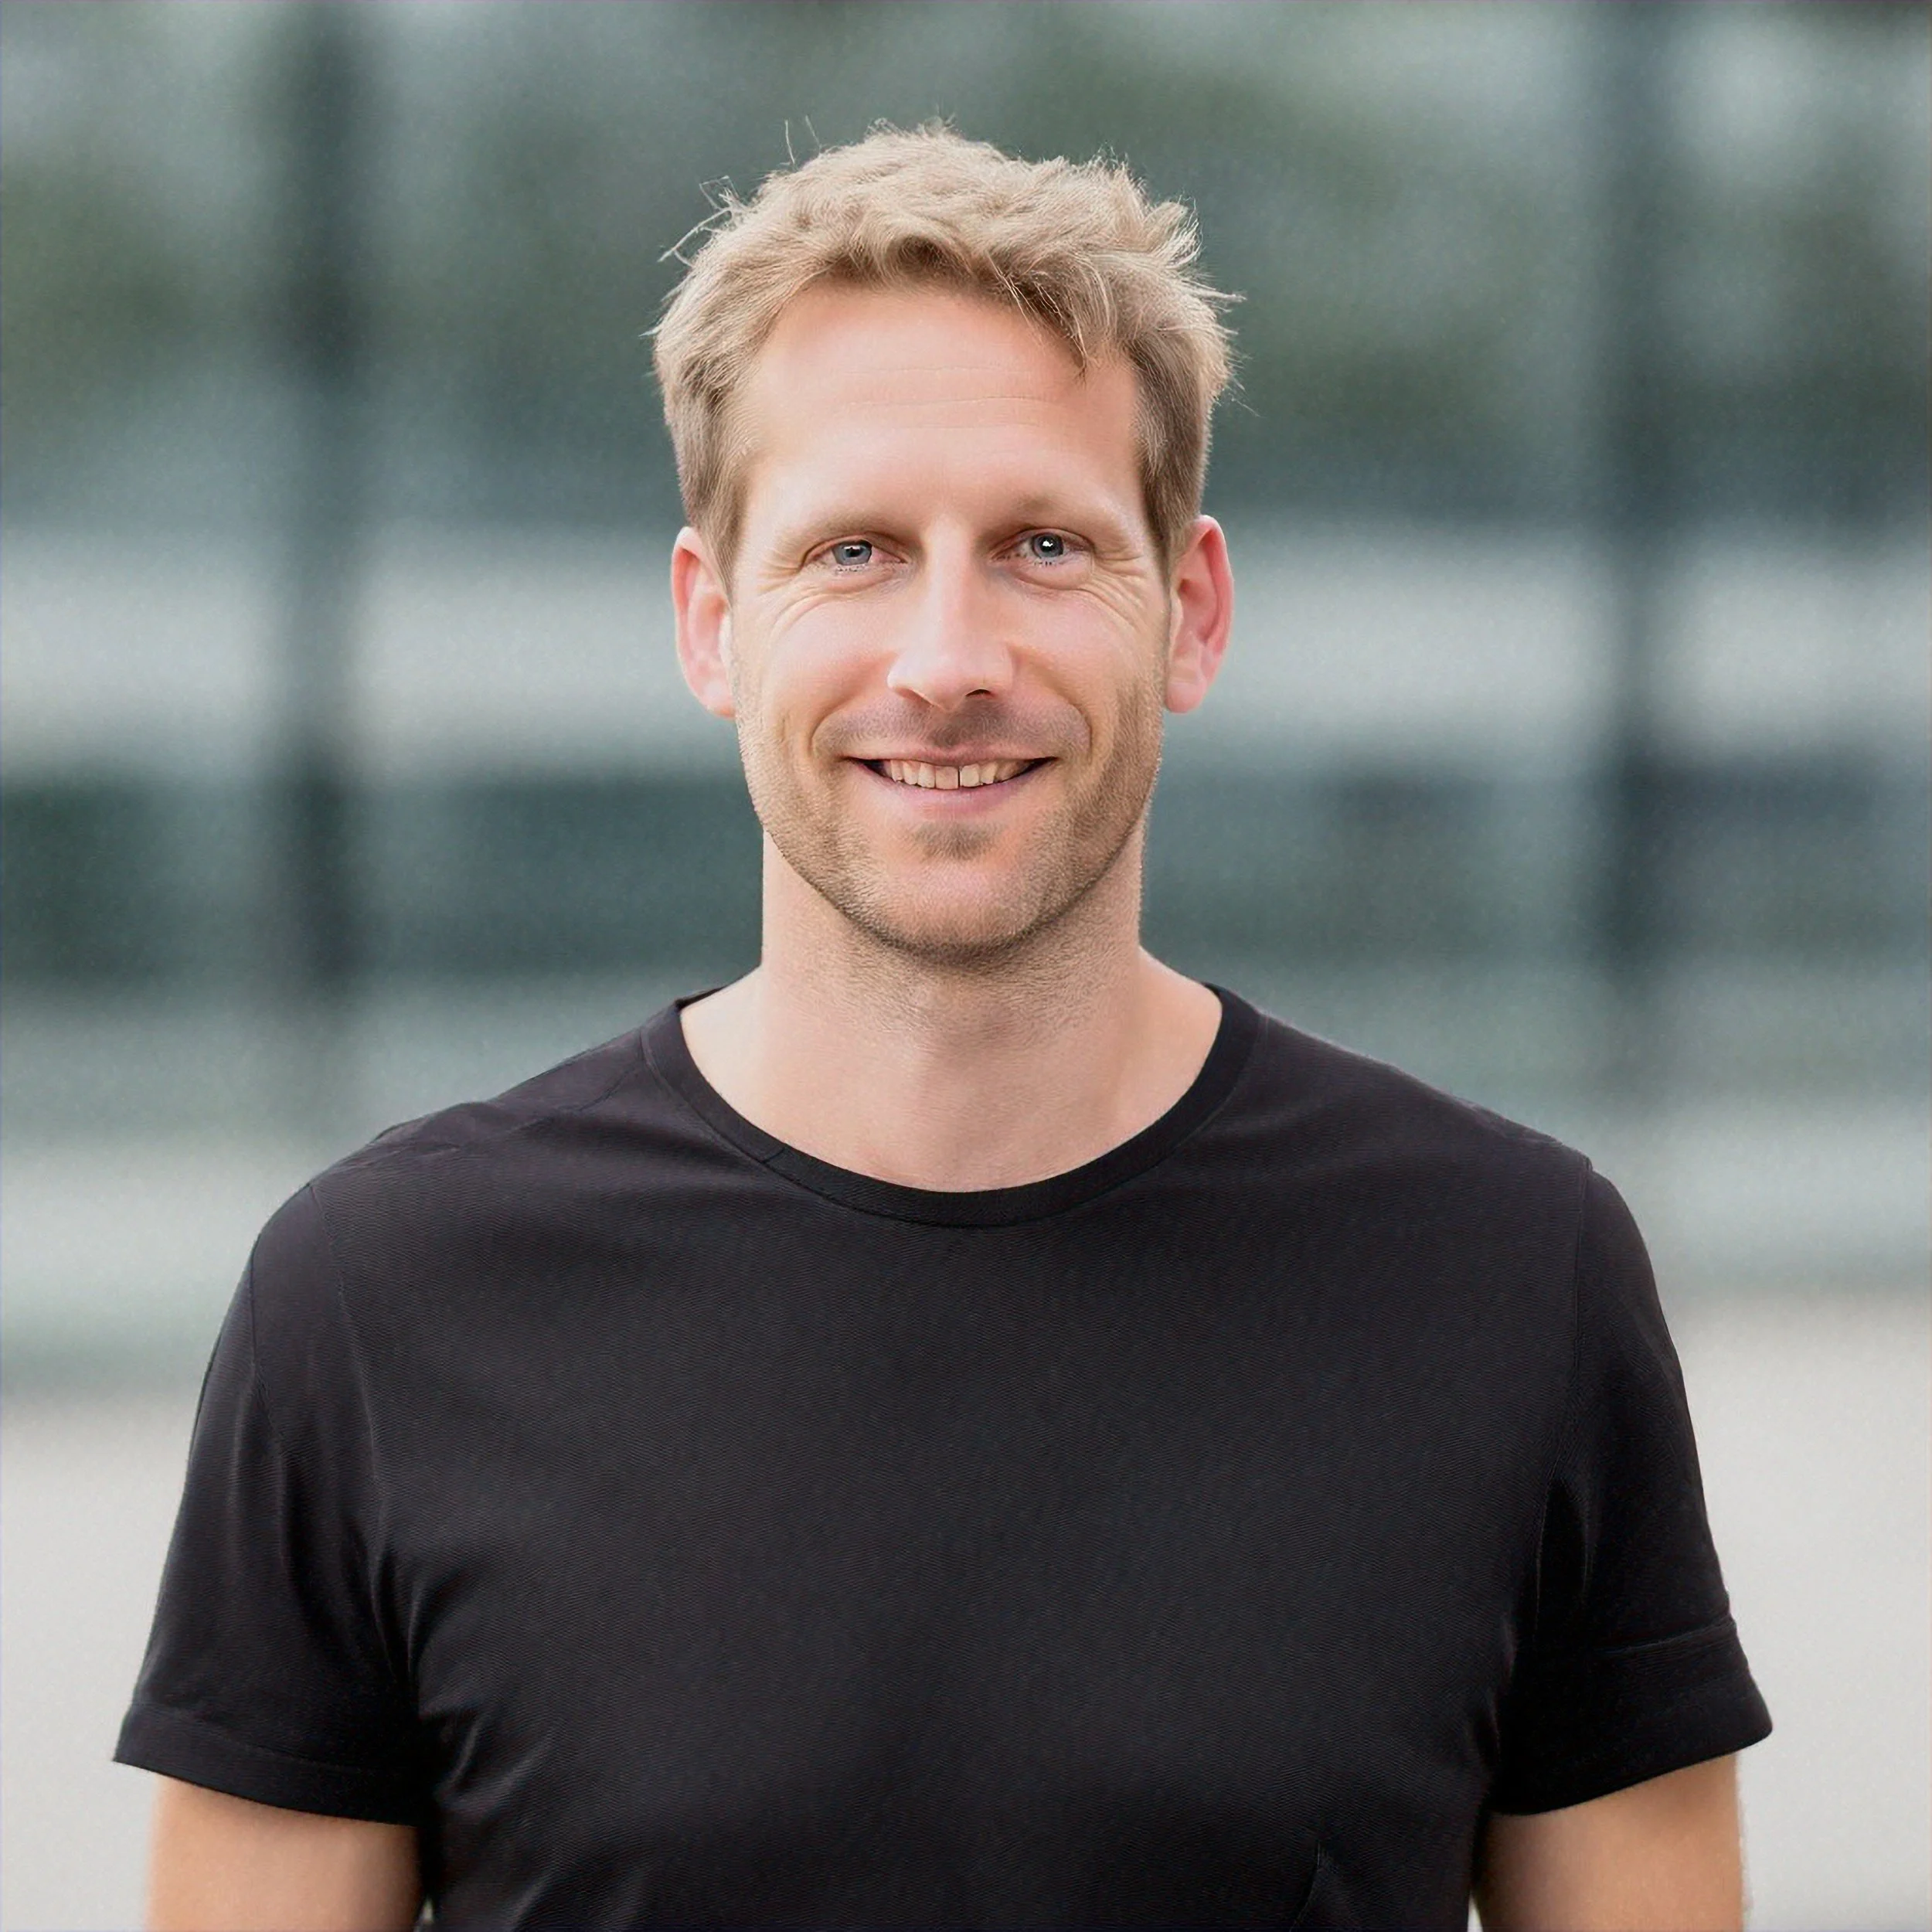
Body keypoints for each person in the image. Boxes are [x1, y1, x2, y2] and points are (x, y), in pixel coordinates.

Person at [118, 126, 1769, 1931]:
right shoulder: (378, 1303)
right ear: (711, 623)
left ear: (1190, 610)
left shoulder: (1509, 1276)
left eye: (1043, 544)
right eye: (852, 550)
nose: (946, 657)